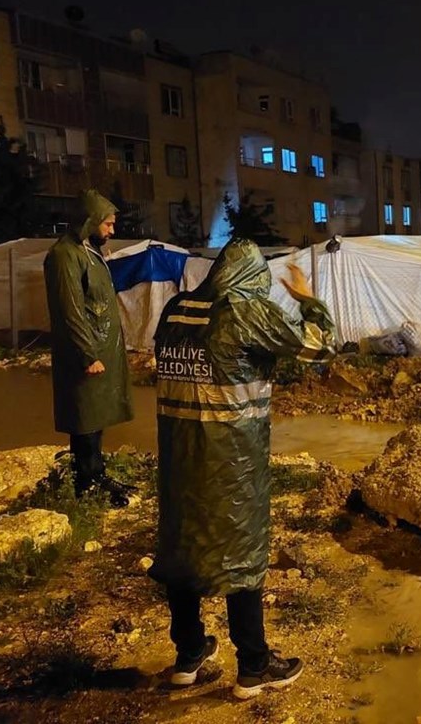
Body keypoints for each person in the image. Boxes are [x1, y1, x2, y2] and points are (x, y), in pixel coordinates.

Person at [149, 238, 336, 699]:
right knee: (242, 552)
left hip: (179, 457)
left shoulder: (176, 310)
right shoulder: (245, 312)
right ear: (250, 278)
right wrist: (308, 300)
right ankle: (253, 665)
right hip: (232, 458)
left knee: (183, 545)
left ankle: (189, 653)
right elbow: (319, 348)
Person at [43, 189, 135, 508]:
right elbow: (70, 310)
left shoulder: (88, 251)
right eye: (108, 224)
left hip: (100, 351)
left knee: (95, 416)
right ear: (91, 221)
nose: (112, 230)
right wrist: (87, 354)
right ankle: (86, 484)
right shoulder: (65, 255)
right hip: (85, 354)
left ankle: (98, 474)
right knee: (83, 418)